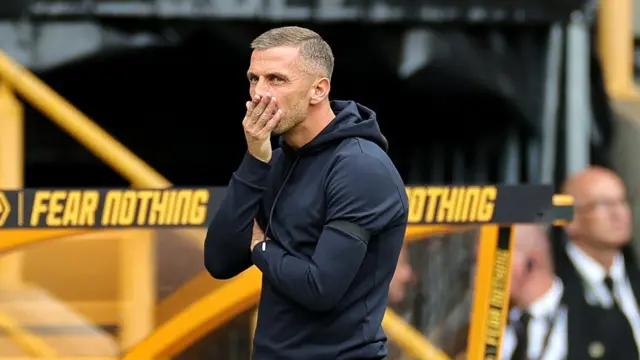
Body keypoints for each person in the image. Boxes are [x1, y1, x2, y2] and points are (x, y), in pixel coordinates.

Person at [204, 26, 409, 360]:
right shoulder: (275, 160)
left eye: (276, 79)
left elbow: (319, 288)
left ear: (318, 89)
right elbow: (219, 261)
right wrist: (255, 160)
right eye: (254, 78)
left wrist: (259, 245)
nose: (259, 93)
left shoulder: (359, 167)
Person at [504, 224, 626, 360]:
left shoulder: (604, 326)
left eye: (491, 259)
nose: (478, 273)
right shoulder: (488, 328)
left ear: (532, 262)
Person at [557, 166, 640, 359]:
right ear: (571, 218)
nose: (619, 213)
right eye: (604, 204)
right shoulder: (552, 285)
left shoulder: (634, 277)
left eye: (623, 201)